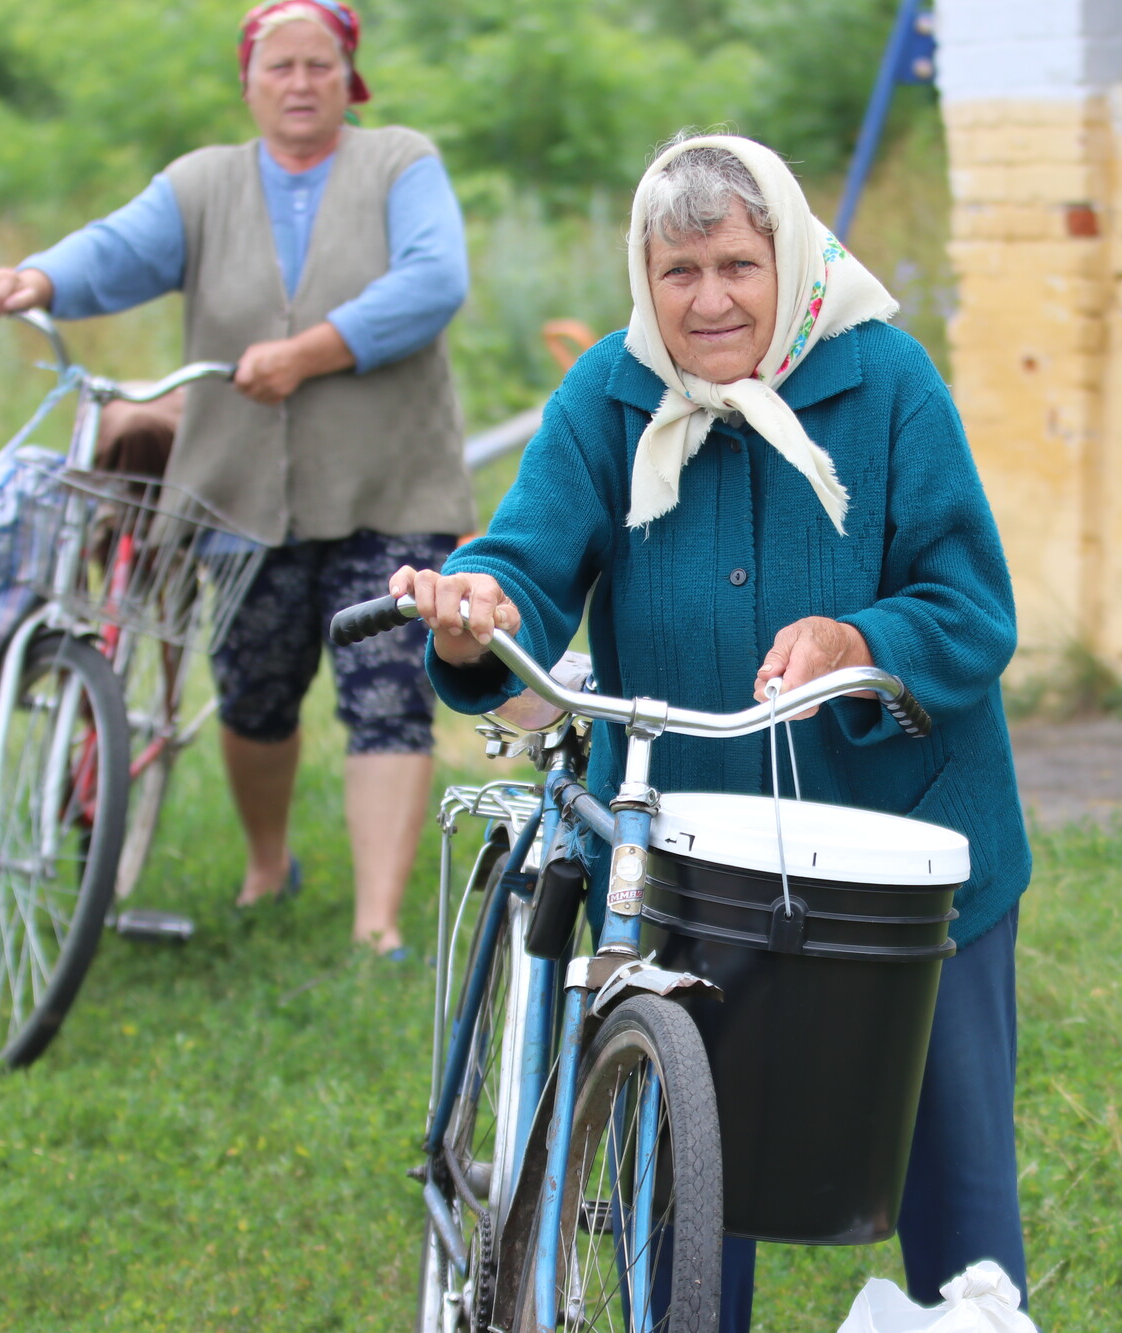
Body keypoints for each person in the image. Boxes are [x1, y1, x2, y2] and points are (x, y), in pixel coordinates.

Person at [394, 133, 1033, 1327]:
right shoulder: (609, 391)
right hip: (689, 853)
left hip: (909, 847)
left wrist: (859, 642)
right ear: (644, 279)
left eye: (737, 264)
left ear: (787, 256)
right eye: (677, 272)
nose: (710, 300)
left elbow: (970, 607)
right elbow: (525, 557)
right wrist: (478, 608)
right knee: (676, 1167)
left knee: (952, 1187)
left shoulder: (886, 382)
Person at [0, 0, 474, 955]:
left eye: (320, 66)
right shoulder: (203, 184)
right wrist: (37, 279)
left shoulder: (400, 161)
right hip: (239, 494)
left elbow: (435, 279)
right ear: (249, 82)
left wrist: (309, 351)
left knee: (388, 690)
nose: (301, 85)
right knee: (256, 696)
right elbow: (115, 250)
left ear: (348, 78)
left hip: (390, 487)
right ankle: (268, 863)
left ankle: (377, 926)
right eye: (281, 68)